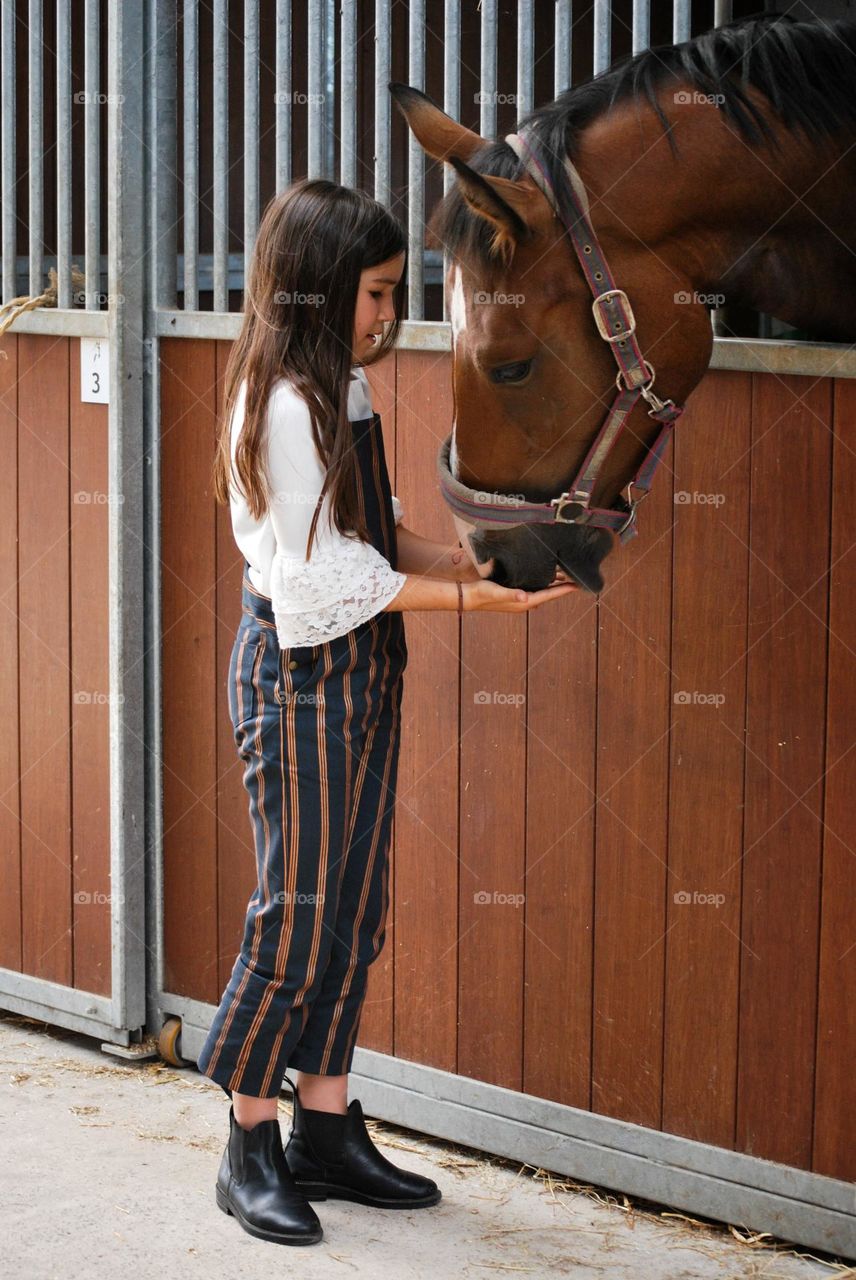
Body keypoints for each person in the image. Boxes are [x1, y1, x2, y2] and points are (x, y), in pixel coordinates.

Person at [197, 176, 579, 1247]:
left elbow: (369, 541)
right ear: (320, 290)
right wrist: (475, 600)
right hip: (301, 670)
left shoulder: (339, 390)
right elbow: (318, 582)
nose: (387, 312)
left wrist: (475, 554)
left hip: (363, 663)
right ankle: (249, 1140)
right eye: (372, 292)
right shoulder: (277, 402)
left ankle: (324, 1124)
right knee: (297, 912)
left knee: (353, 906)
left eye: (391, 289)